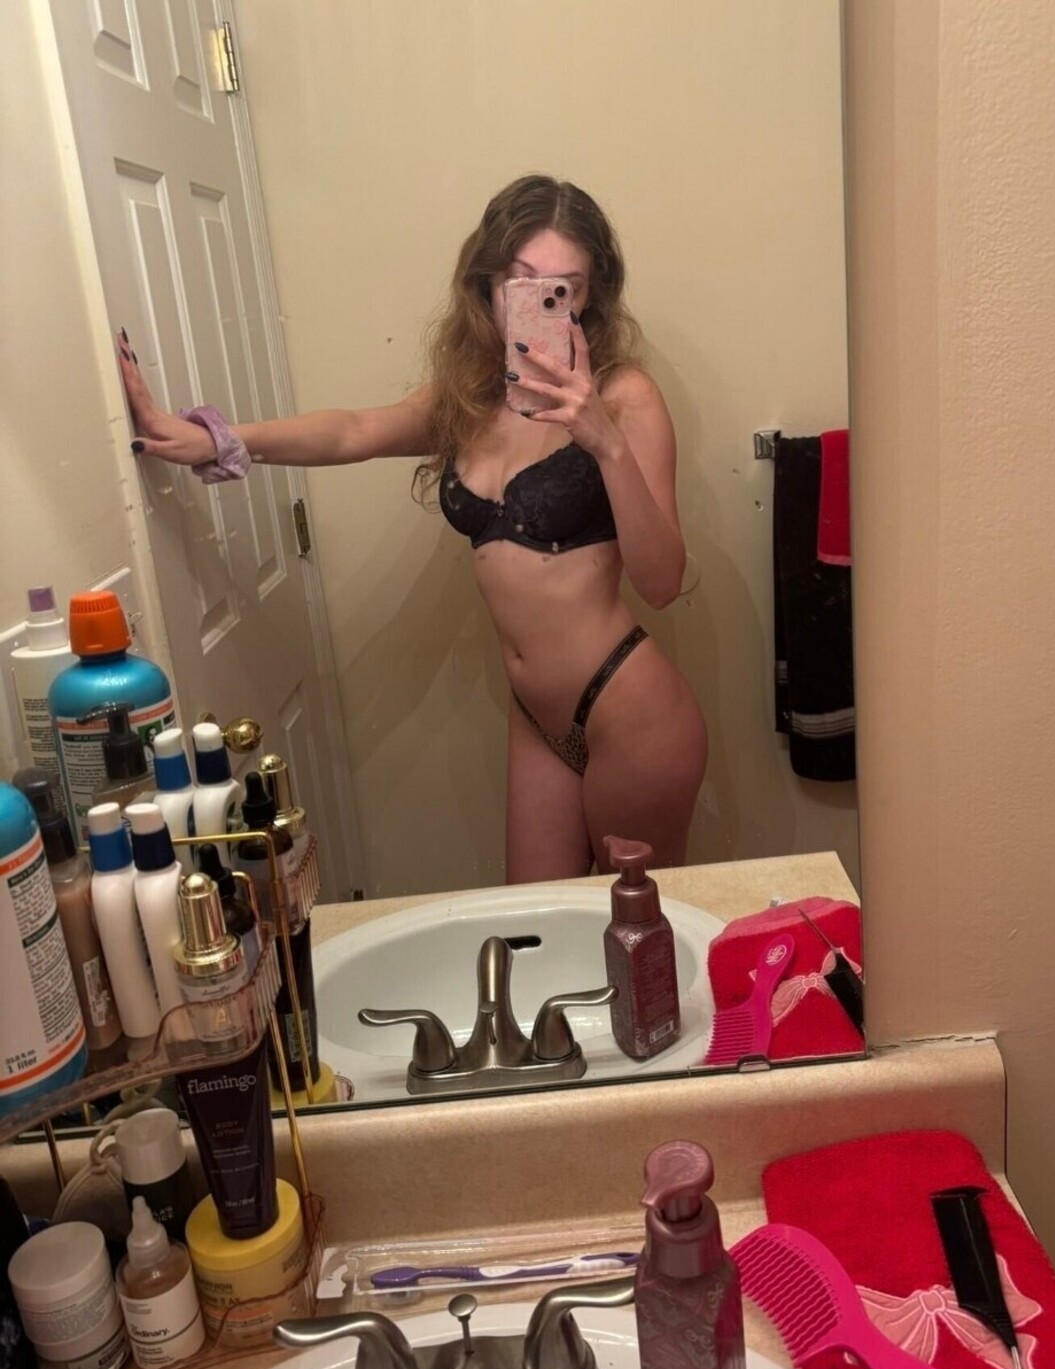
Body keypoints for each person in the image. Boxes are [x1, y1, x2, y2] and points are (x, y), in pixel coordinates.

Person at [118, 174, 707, 881]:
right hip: (537, 719)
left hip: (629, 712)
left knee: (634, 931)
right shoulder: (471, 398)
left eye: (563, 287)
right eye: (520, 280)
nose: (537, 300)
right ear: (487, 283)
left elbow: (662, 581)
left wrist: (604, 441)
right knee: (535, 923)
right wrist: (215, 440)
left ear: (590, 296)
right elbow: (354, 431)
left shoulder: (624, 396)